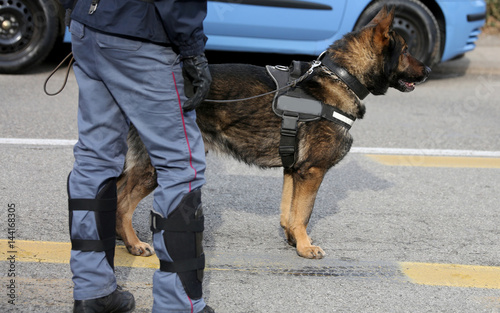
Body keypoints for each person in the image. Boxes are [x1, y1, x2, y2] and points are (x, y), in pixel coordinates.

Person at [59, 0, 213, 312]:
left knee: (94, 158)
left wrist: (70, 6)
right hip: (140, 36)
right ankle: (178, 305)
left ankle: (92, 293)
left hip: (88, 26)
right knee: (180, 168)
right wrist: (193, 49)